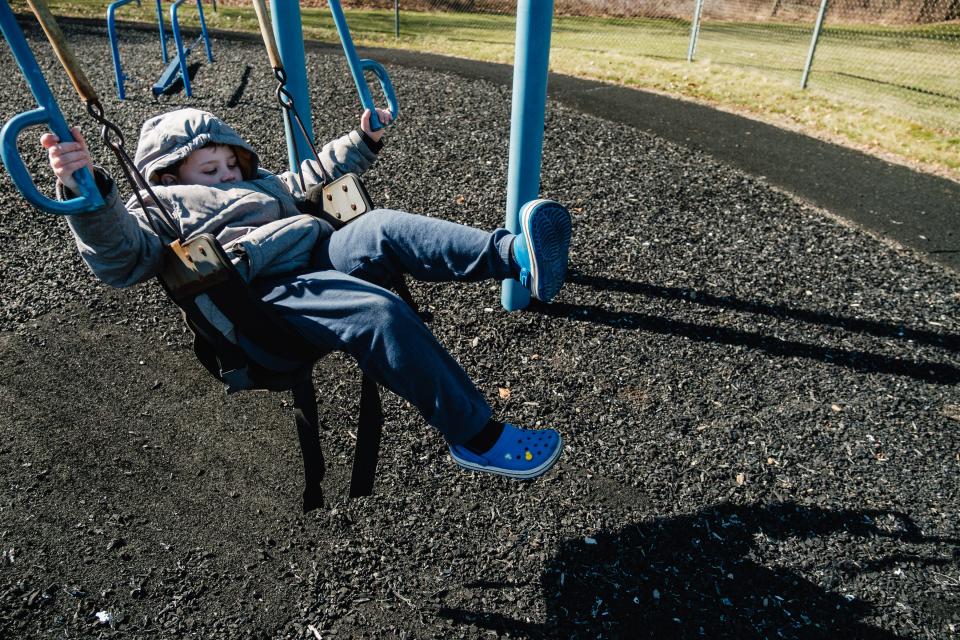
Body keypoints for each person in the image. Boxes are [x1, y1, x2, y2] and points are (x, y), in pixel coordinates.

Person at [42, 107, 572, 480]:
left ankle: (518, 258)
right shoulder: (159, 207)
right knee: (377, 311)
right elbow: (121, 257)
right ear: (169, 173)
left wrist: (360, 144)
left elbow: (309, 177)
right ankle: (476, 437)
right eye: (211, 169)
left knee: (380, 225)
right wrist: (88, 194)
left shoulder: (261, 184)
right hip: (259, 295)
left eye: (232, 164)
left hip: (316, 251)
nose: (227, 175)